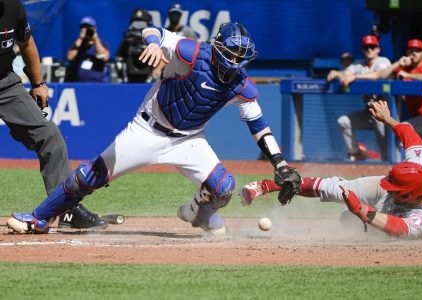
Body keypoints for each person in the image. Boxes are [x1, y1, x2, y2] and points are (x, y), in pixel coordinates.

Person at [6, 22, 302, 234]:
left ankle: (196, 213)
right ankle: (38, 218)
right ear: (218, 48)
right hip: (147, 129)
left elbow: (260, 127)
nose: (236, 62)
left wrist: (281, 163)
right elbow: (153, 31)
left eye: (241, 57)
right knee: (89, 176)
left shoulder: (241, 85)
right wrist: (152, 44)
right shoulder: (193, 52)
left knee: (223, 187)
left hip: (188, 140)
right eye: (232, 53)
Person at [240, 100, 422, 239]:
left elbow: (397, 228)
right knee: (337, 188)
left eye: (393, 188)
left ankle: (356, 219)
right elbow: (410, 135)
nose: (388, 187)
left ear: (407, 195)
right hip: (396, 203)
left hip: (391, 219)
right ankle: (267, 185)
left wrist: (362, 212)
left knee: (349, 221)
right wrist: (387, 118)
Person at [0, 0, 107, 229]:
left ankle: (67, 210)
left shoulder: (12, 7)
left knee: (50, 136)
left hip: (5, 84)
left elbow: (26, 42)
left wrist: (38, 83)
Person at [342, 39, 422, 146]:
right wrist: (399, 63)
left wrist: (407, 76)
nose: (413, 53)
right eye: (410, 50)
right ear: (406, 52)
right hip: (415, 118)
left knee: (402, 131)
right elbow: (379, 75)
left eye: (417, 50)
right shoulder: (404, 68)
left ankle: (396, 162)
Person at [327, 35, 391, 161]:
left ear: (378, 49)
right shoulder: (359, 65)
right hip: (369, 112)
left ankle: (390, 166)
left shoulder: (383, 62)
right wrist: (336, 72)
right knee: (343, 121)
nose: (369, 50)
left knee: (386, 150)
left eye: (372, 47)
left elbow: (376, 75)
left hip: (386, 113)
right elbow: (346, 73)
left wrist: (355, 76)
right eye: (366, 47)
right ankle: (356, 153)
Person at [65, 16, 110, 82]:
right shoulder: (78, 44)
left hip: (96, 83)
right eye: (83, 27)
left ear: (94, 28)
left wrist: (95, 39)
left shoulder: (101, 44)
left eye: (88, 27)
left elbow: (105, 57)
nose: (85, 29)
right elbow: (70, 57)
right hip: (78, 83)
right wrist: (80, 38)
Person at [115, 9, 154, 83]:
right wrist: (121, 77)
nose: (138, 30)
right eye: (136, 25)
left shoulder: (153, 42)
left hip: (149, 79)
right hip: (130, 78)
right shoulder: (127, 41)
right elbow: (118, 58)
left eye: (141, 26)